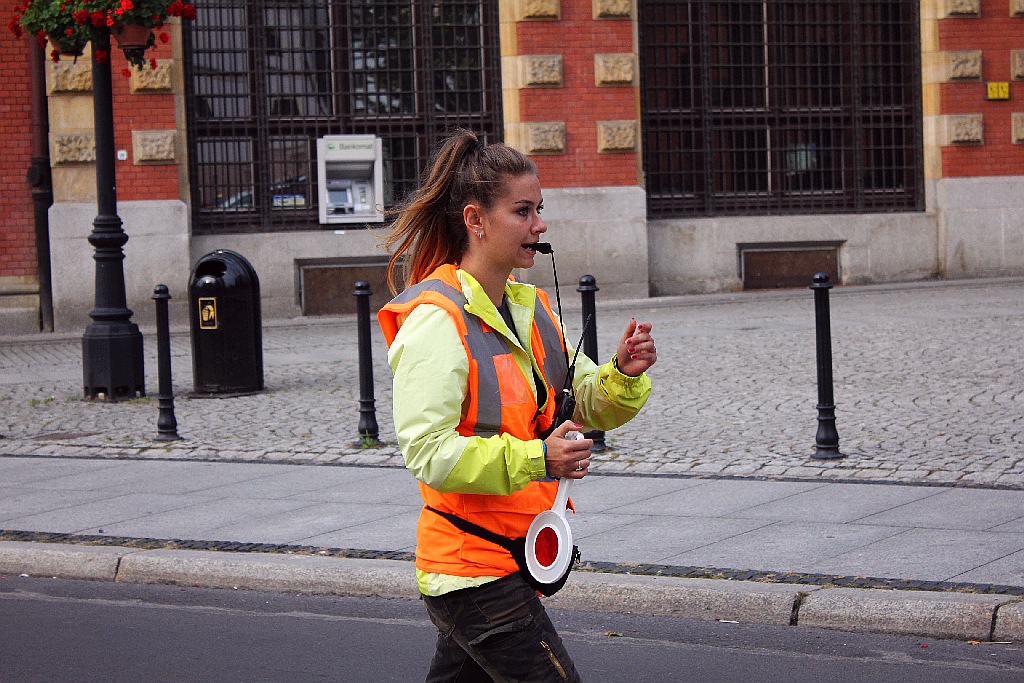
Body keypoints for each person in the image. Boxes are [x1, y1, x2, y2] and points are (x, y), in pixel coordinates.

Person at [378, 129, 657, 683]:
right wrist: (538, 459)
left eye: (540, 209)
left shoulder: (530, 310)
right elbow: (428, 454)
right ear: (476, 220)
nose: (540, 225)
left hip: (505, 561)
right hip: (470, 571)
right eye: (523, 211)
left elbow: (584, 406)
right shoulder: (439, 320)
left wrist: (622, 375)